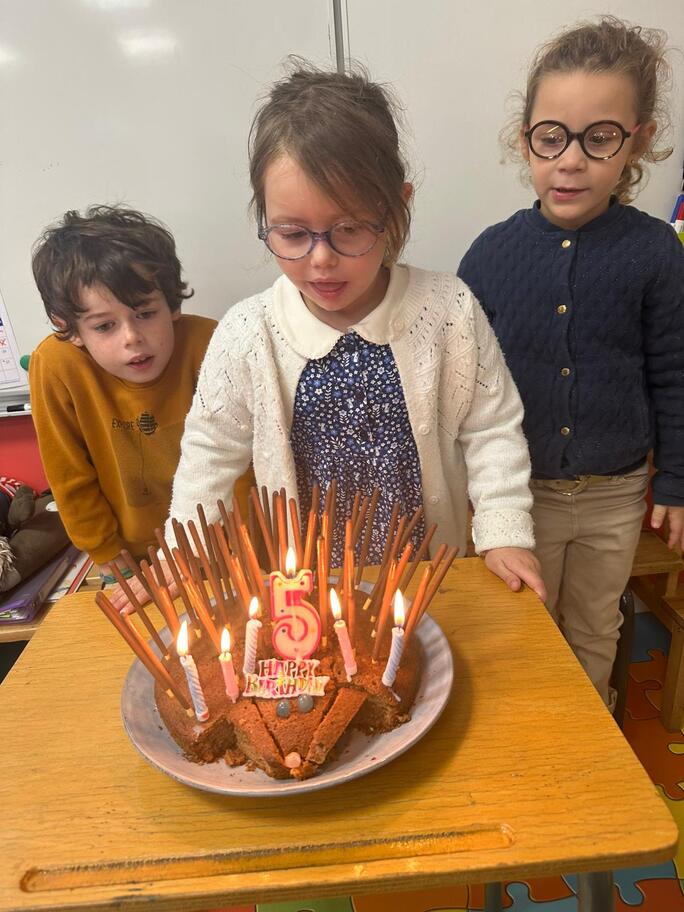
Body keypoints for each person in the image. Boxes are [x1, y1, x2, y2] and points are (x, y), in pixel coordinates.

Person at [164, 62, 545, 599]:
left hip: (426, 577)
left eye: (348, 229)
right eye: (292, 234)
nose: (321, 259)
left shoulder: (448, 309)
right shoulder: (247, 332)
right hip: (307, 589)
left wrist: (504, 532)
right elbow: (210, 453)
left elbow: (492, 428)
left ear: (396, 209)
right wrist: (183, 559)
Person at [458, 17, 684, 709]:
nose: (572, 161)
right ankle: (532, 742)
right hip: (521, 497)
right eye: (552, 136)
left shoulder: (655, 252)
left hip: (616, 496)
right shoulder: (490, 255)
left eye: (600, 137)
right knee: (523, 629)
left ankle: (591, 738)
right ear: (524, 137)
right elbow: (464, 388)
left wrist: (676, 481)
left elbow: (674, 373)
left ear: (637, 141)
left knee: (594, 627)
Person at [30, 205, 253, 582]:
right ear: (71, 330)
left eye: (146, 314)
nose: (132, 338)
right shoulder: (56, 365)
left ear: (172, 304)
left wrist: (240, 547)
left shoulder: (212, 343)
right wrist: (106, 554)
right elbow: (69, 475)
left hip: (225, 545)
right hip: (130, 558)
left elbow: (242, 461)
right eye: (104, 326)